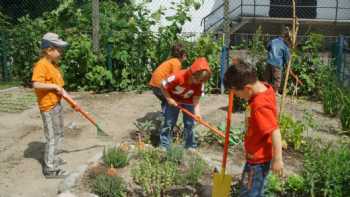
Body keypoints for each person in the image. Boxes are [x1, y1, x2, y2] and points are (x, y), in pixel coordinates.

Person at [224, 59, 283, 196]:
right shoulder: (264, 88)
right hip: (255, 157)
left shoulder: (260, 105)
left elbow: (274, 130)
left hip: (257, 161)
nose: (237, 97)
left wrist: (278, 158)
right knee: (252, 190)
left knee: (249, 193)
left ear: (247, 89)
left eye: (237, 93)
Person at [32, 32, 71, 178]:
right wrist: (53, 87)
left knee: (59, 133)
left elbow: (59, 86)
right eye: (58, 49)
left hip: (57, 104)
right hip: (48, 108)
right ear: (49, 50)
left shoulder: (53, 65)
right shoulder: (41, 65)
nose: (61, 52)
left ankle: (53, 158)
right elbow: (36, 84)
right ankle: (49, 169)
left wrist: (67, 97)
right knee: (52, 137)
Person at [159, 57, 211, 150]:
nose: (199, 83)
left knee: (190, 124)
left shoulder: (200, 84)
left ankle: (190, 146)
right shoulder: (178, 76)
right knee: (169, 122)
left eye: (201, 81)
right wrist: (169, 98)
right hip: (174, 100)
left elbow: (196, 100)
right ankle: (164, 145)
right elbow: (162, 85)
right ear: (192, 74)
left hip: (189, 102)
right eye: (198, 80)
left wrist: (197, 114)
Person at [149, 43, 187, 114]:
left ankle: (164, 114)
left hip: (154, 84)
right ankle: (166, 118)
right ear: (182, 55)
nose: (186, 55)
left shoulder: (171, 60)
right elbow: (176, 80)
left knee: (166, 99)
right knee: (172, 99)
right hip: (159, 85)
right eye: (185, 54)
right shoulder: (176, 63)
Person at [263, 26, 301, 93]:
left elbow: (267, 47)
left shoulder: (273, 40)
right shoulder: (285, 47)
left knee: (267, 79)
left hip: (269, 62)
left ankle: (265, 92)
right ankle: (274, 93)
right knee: (277, 80)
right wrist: (289, 70)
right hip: (277, 64)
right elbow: (287, 60)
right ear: (287, 38)